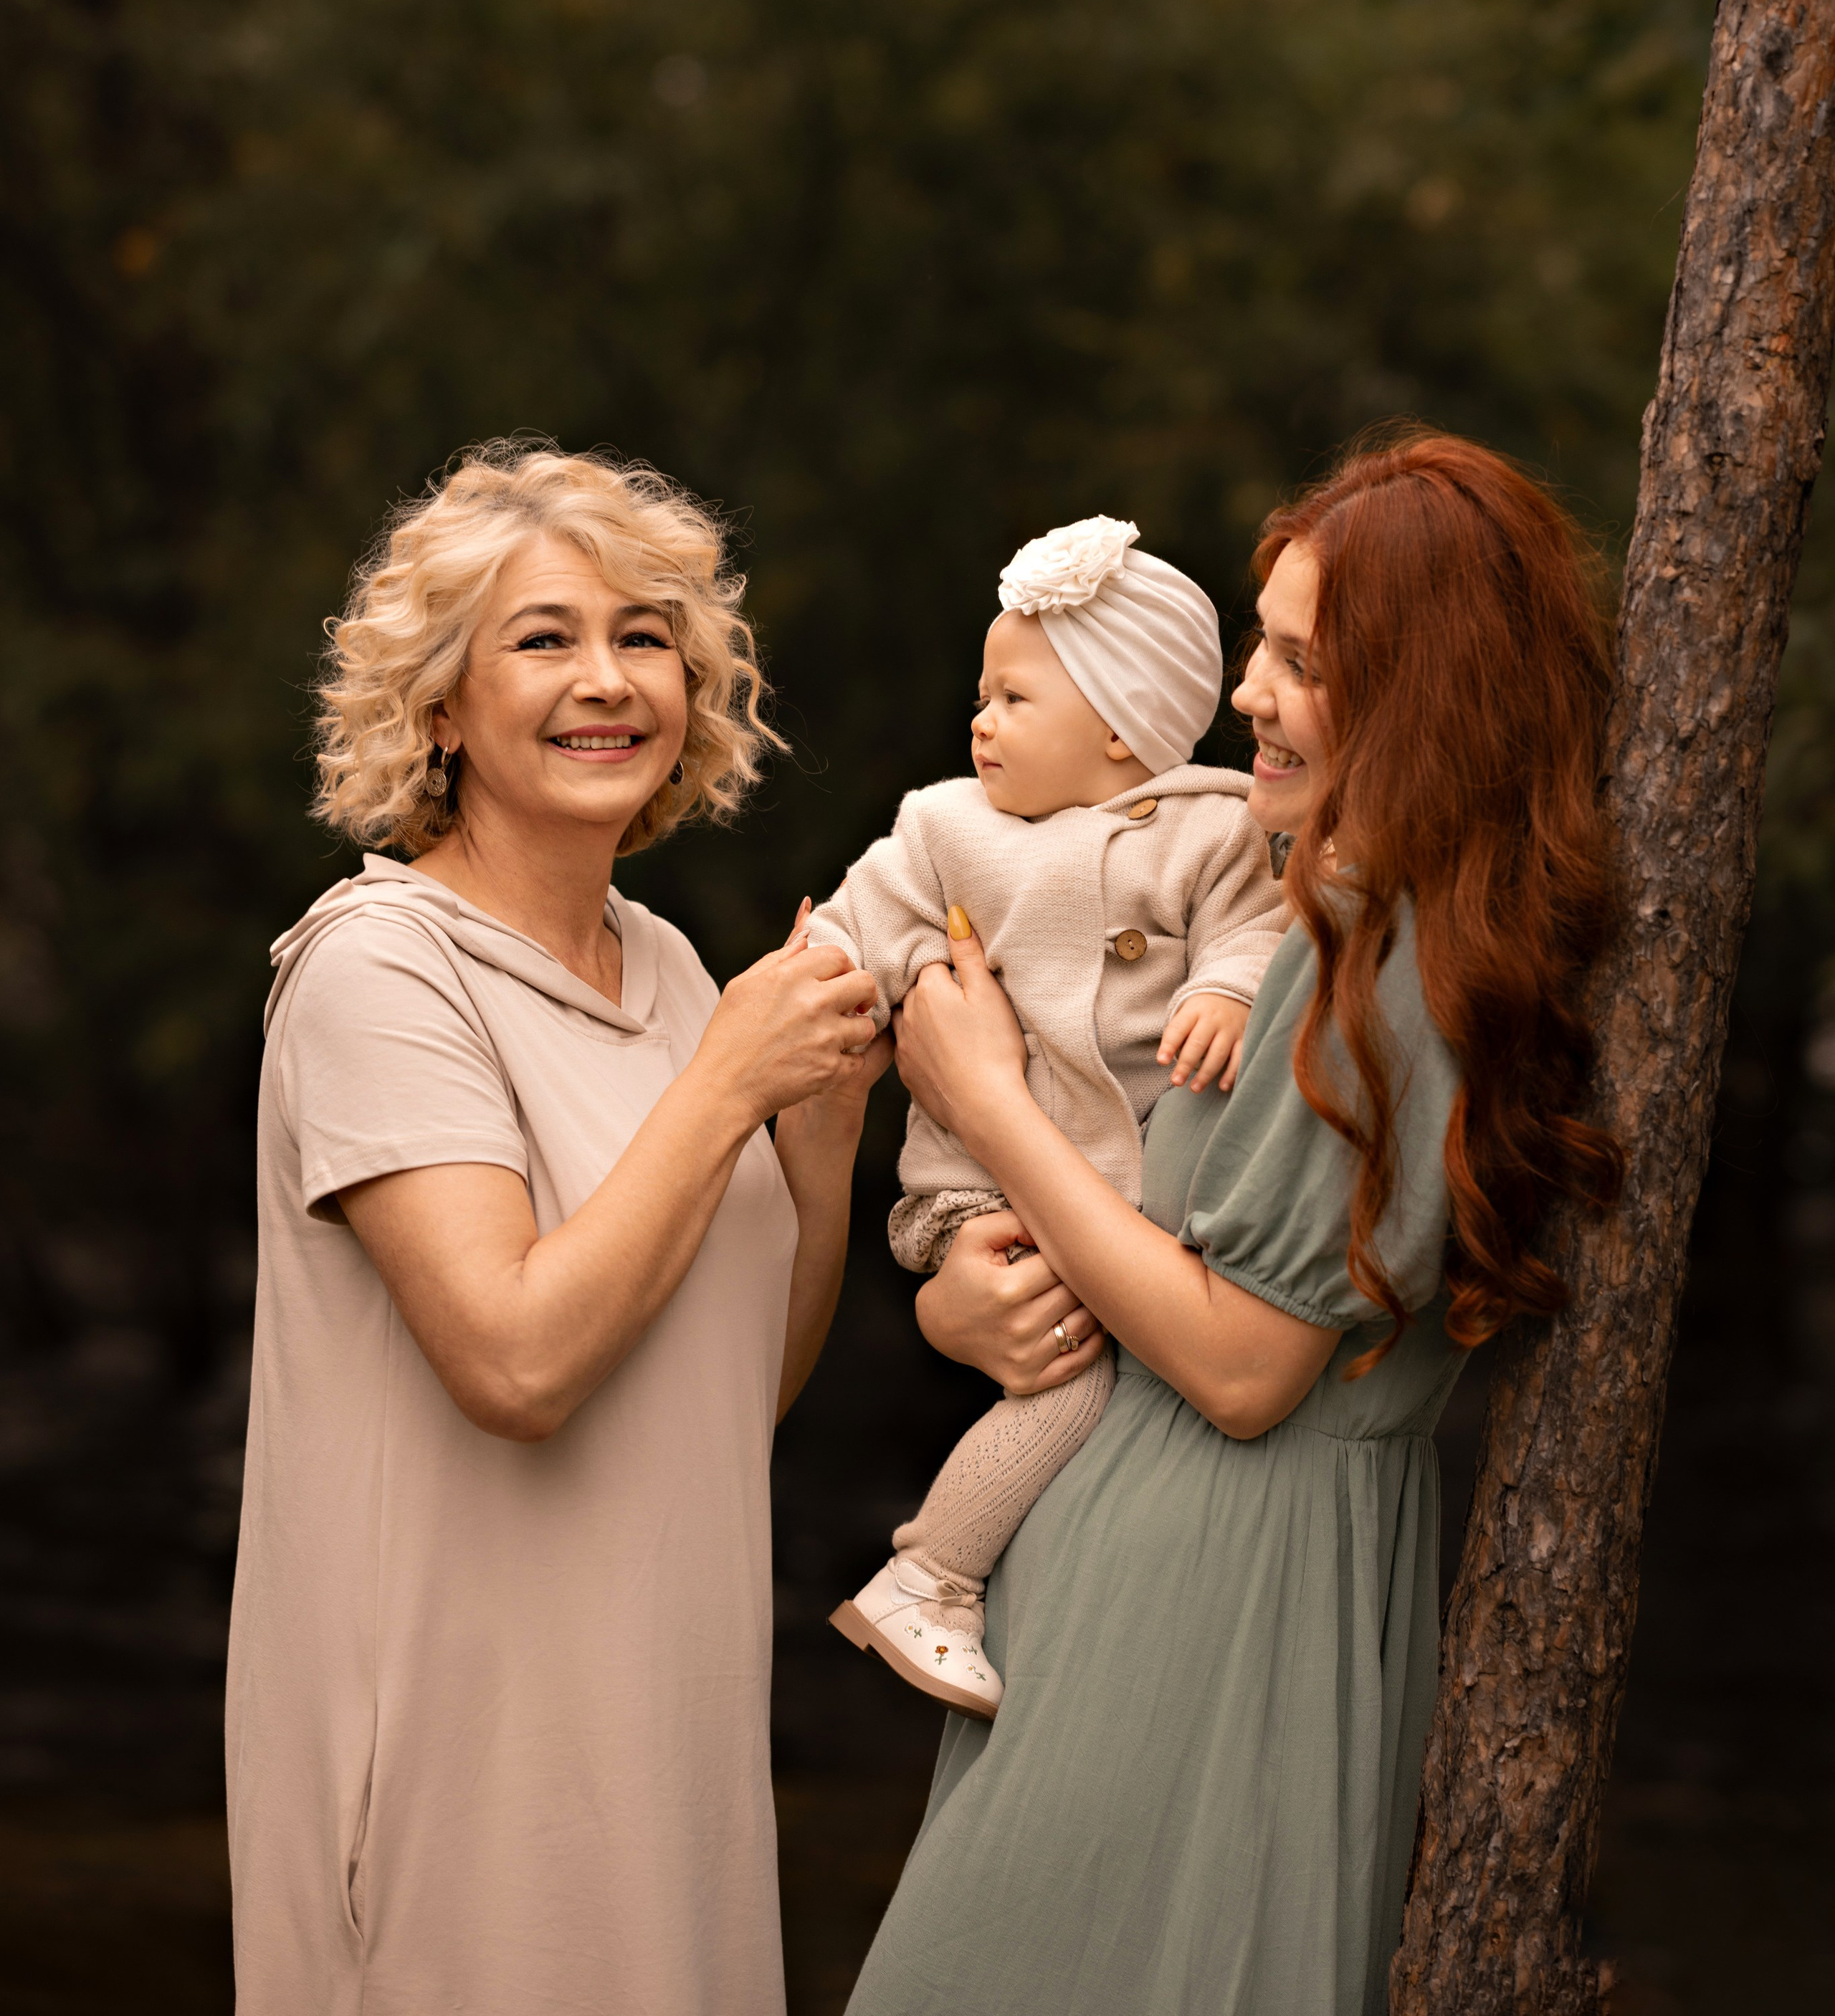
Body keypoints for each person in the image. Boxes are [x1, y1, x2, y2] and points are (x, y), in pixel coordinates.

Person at [846, 429, 1622, 2016]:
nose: (1245, 695)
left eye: (1299, 663)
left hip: (1216, 1596)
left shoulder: (1400, 958)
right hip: (1130, 1558)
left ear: (1424, 696)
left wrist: (983, 1097)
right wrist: (953, 1297)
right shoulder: (1311, 915)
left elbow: (1245, 1365)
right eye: (1259, 647)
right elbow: (1140, 1244)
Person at [225, 442, 885, 2016]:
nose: (607, 679)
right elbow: (515, 1362)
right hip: (466, 1773)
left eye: (643, 636)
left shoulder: (669, 968)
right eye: (544, 637)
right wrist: (729, 1083)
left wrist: (822, 1139)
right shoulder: (381, 969)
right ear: (442, 706)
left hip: (667, 1757)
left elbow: (733, 1392)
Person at [813, 516, 1286, 1715]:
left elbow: (1258, 927)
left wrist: (1227, 988)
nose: (979, 721)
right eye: (983, 695)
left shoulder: (1218, 827)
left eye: (1013, 698)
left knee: (1113, 1368)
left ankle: (993, 1586)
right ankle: (930, 1574)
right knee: (1074, 1378)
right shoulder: (946, 826)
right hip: (972, 1185)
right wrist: (822, 975)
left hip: (1114, 1194)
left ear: (1121, 726)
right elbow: (856, 930)